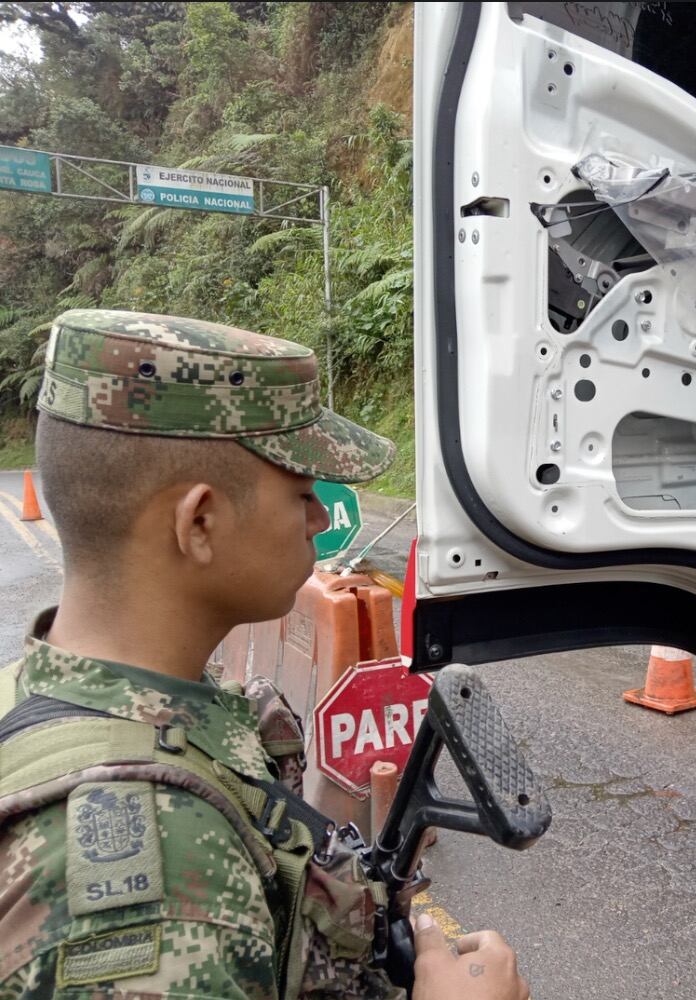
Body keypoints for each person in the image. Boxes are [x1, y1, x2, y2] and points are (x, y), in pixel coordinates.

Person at [0, 310, 529, 1000]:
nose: (318, 519)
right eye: (304, 493)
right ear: (200, 523)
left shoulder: (57, 694)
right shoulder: (155, 884)